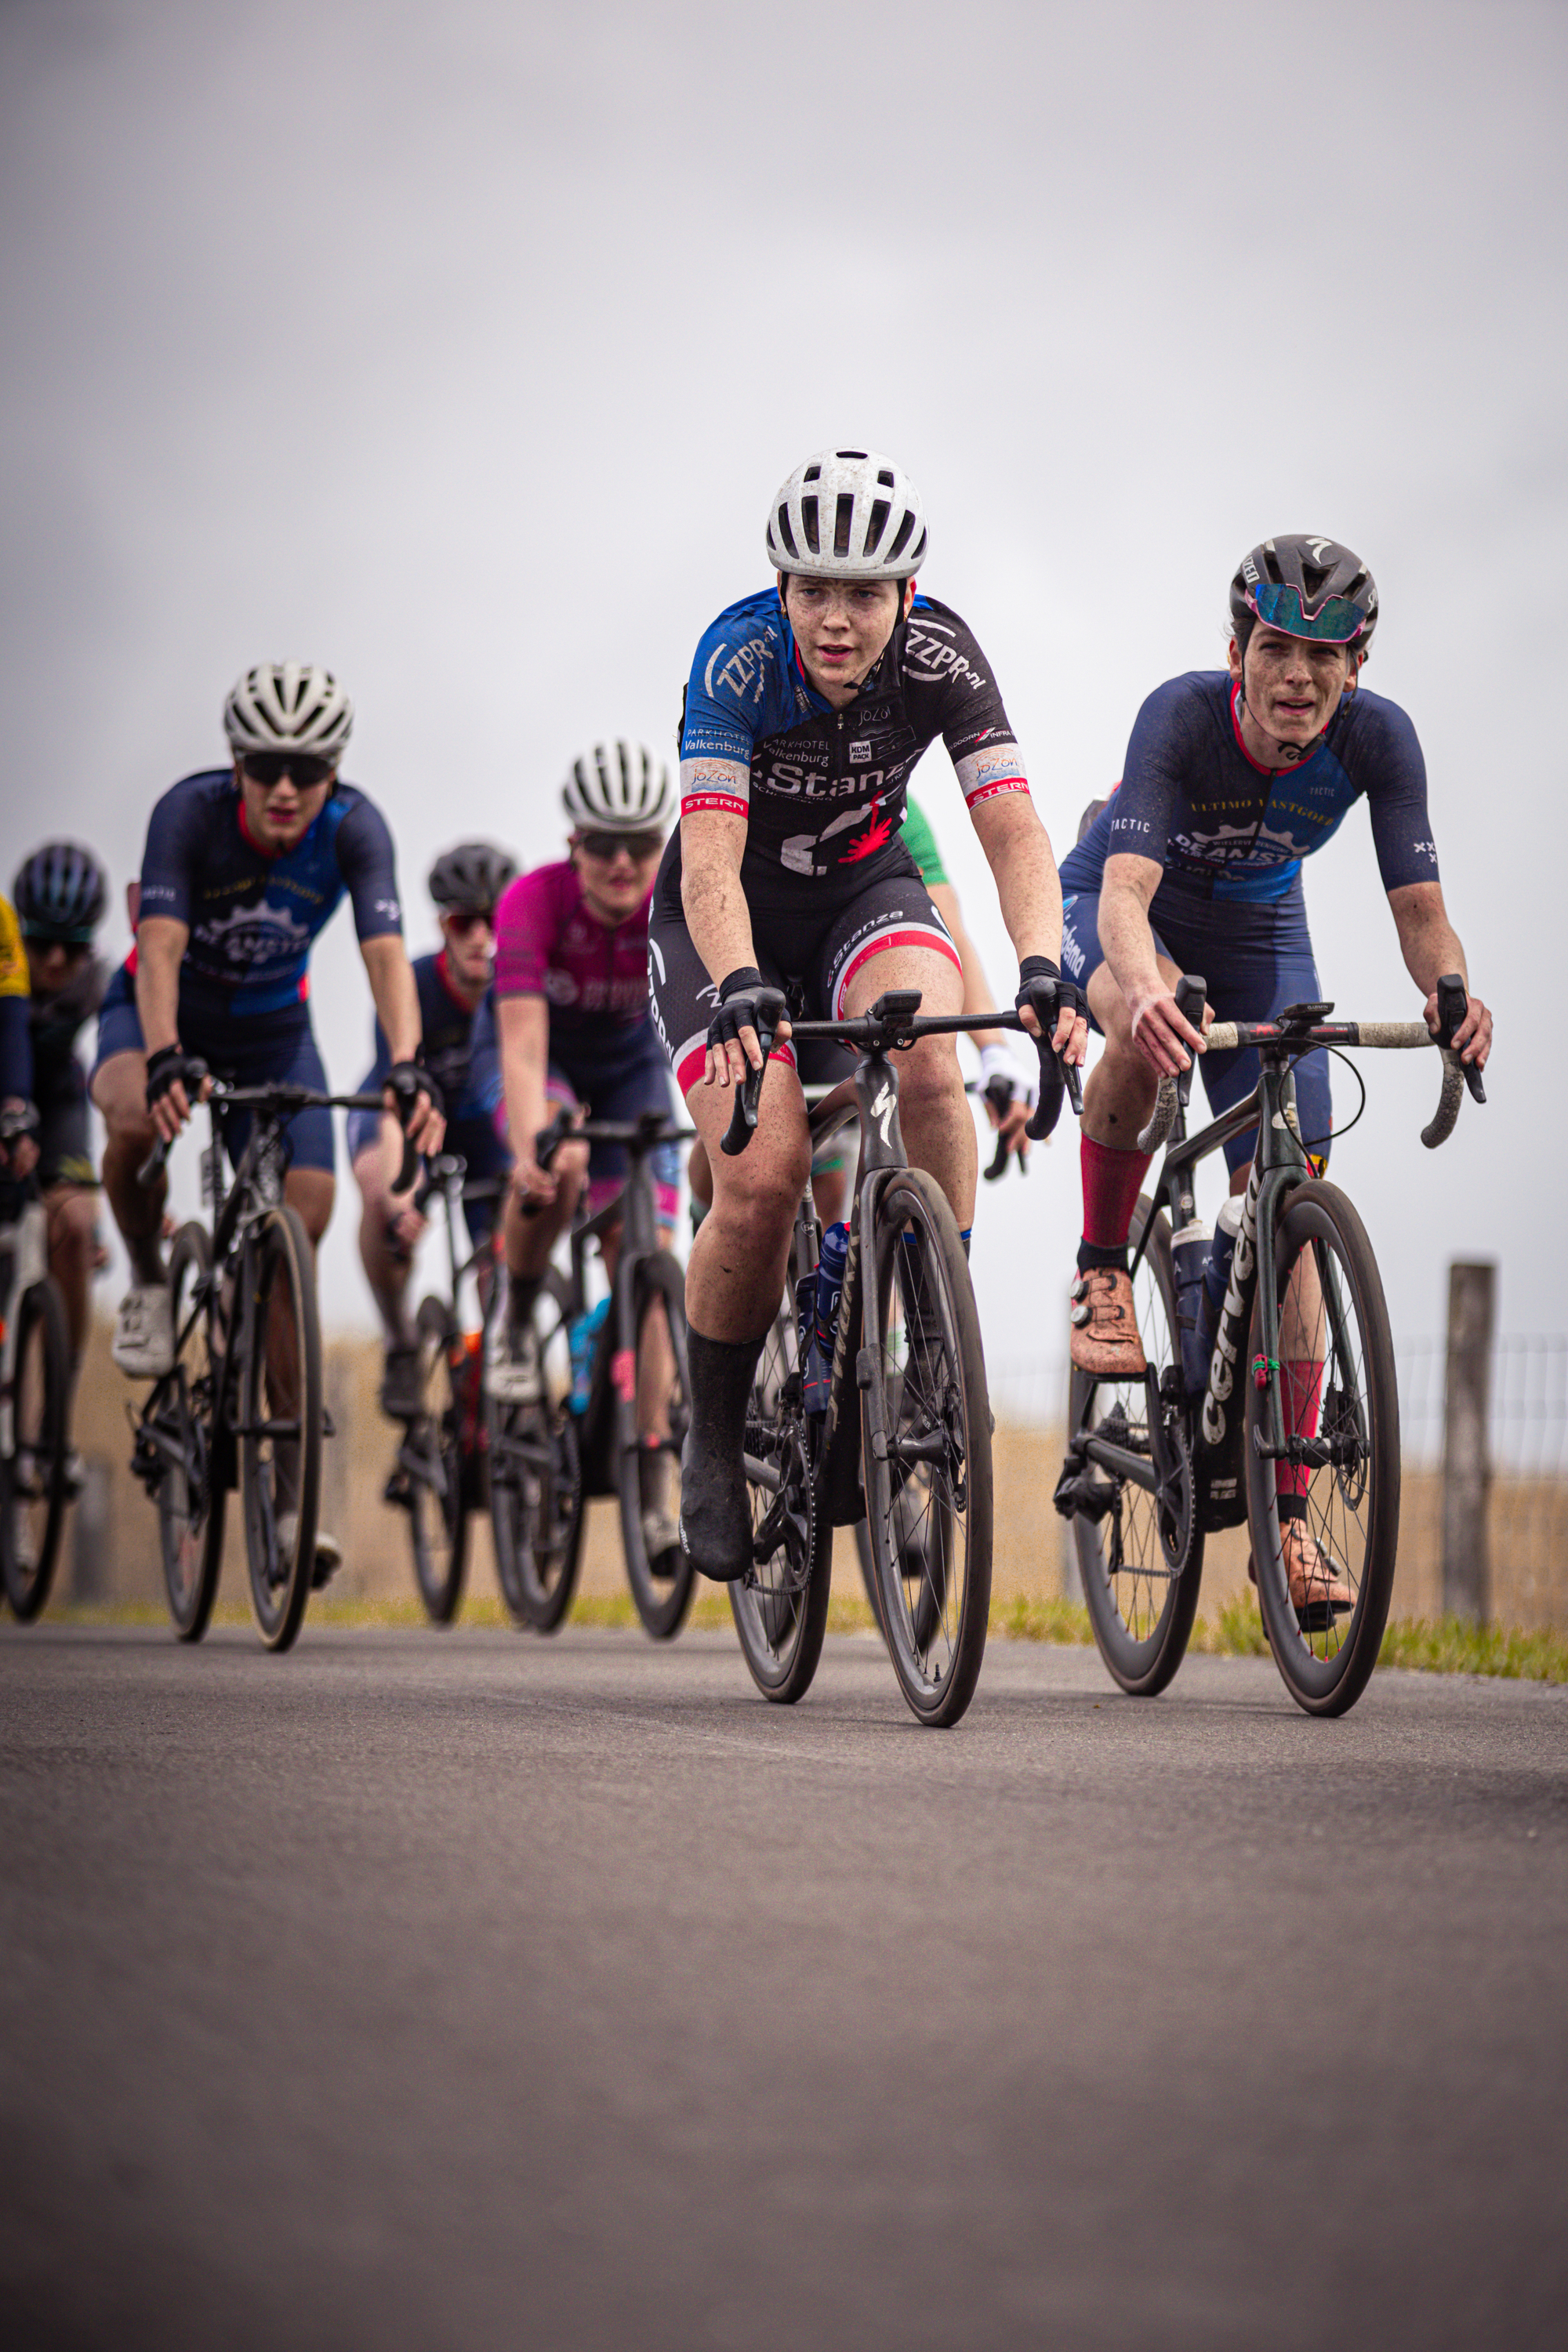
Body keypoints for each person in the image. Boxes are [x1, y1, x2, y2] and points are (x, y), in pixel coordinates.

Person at [651, 446, 1087, 1581]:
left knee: (934, 1068)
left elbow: (1014, 831)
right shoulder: (738, 660)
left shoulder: (943, 654)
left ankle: (931, 1345)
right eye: (814, 591)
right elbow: (707, 863)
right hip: (726, 917)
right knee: (764, 1174)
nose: (836, 619)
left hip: (860, 889)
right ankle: (707, 1439)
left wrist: (1043, 965)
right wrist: (741, 978)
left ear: (908, 593)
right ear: (782, 588)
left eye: (864, 593)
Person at [1055, 534, 1493, 1611]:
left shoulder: (1382, 742)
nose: (1300, 676)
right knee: (1131, 1020)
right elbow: (1120, 899)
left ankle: (1287, 1528)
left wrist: (1454, 998)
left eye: (1326, 657)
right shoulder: (1182, 716)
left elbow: (1420, 913)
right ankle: (1105, 1263)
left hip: (1261, 931)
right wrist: (1145, 989)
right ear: (1241, 647)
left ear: (1357, 670)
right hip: (1133, 905)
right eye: (1279, 648)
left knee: (1293, 1211)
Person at [90, 662, 443, 1583]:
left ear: (332, 772)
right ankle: (148, 1280)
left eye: (307, 769)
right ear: (237, 765)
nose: (285, 788)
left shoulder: (355, 828)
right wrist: (166, 1054)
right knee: (131, 1124)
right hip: (160, 1018)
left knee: (301, 1226)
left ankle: (289, 1512)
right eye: (265, 767)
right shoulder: (189, 815)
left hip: (275, 1035)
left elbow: (386, 958)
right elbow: (158, 950)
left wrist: (407, 1065)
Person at [684, 787, 1041, 1228]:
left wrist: (994, 1052)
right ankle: (711, 1230)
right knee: (749, 1157)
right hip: (757, 982)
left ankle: (871, 1278)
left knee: (842, 1179)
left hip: (833, 998)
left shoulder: (896, 810)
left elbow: (949, 936)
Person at [491, 743, 682, 1556]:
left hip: (634, 1073)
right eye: (601, 844)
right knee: (560, 1163)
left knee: (654, 1266)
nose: (620, 862)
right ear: (573, 845)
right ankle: (518, 1310)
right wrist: (535, 1136)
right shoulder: (532, 904)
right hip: (553, 1067)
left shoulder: (674, 899)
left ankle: (652, 1486)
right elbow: (525, 1050)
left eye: (639, 845)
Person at [347, 840, 516, 1419]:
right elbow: (394, 1109)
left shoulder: (516, 988)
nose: (480, 936)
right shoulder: (414, 987)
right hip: (409, 1126)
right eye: (464, 922)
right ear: (443, 925)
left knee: (503, 1251)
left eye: (492, 921)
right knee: (379, 1194)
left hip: (483, 1132)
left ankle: (498, 1367)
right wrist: (400, 1195)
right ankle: (399, 1342)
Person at [11, 843, 111, 1408]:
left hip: (59, 1102)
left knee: (72, 1225)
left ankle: (58, 1402)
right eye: (39, 943)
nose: (53, 961)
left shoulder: (93, 982)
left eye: (71, 948)